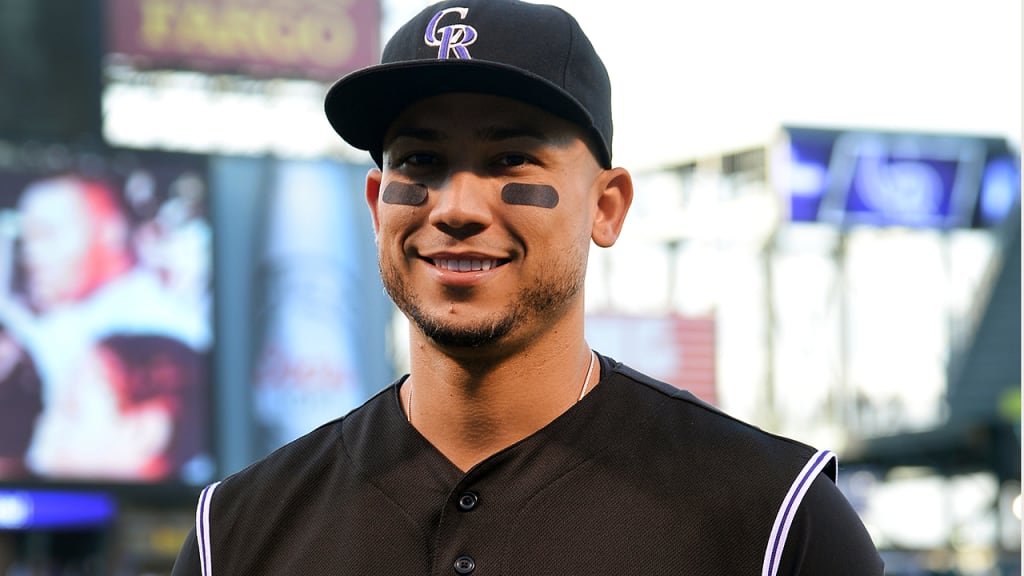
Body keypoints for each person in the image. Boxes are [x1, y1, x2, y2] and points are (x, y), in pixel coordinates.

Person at [172, 1, 884, 574]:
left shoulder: (772, 519)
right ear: (374, 203)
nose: (455, 208)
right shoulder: (234, 533)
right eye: (420, 160)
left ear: (607, 207)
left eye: (512, 157)